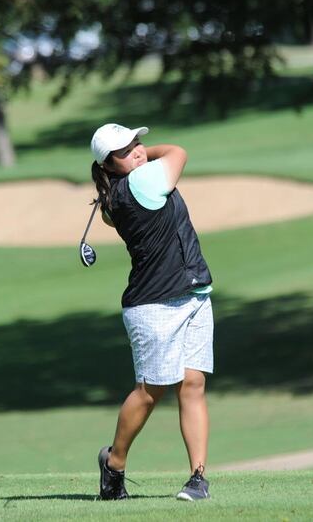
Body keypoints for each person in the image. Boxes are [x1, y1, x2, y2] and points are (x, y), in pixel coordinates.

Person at [89, 123, 214, 502]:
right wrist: (147, 154)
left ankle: (198, 478)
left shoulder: (117, 195)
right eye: (125, 150)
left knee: (193, 384)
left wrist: (120, 164)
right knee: (150, 392)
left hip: (193, 294)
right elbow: (178, 150)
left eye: (137, 143)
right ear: (109, 165)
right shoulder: (143, 183)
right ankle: (114, 463)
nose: (139, 151)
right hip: (154, 306)